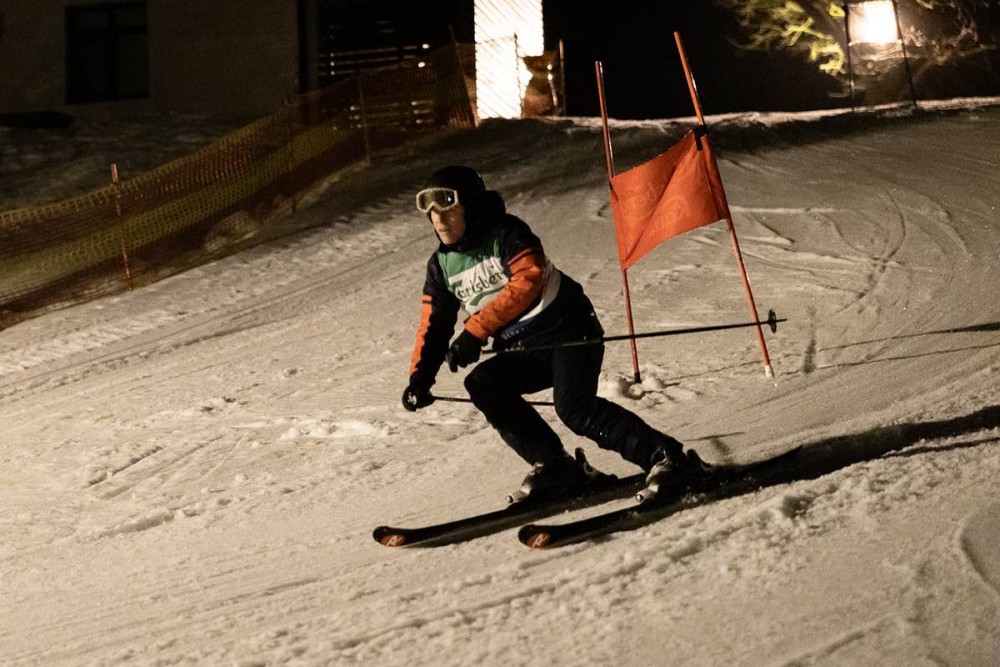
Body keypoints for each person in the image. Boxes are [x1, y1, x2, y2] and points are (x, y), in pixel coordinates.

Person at [401, 165, 697, 499]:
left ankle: (665, 457)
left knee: (574, 407)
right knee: (483, 384)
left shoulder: (506, 233)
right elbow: (434, 325)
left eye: (449, 209)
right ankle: (554, 465)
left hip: (568, 330)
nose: (439, 219)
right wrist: (420, 378)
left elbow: (528, 280)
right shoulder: (440, 267)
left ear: (471, 206)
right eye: (431, 212)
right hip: (524, 348)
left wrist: (474, 332)